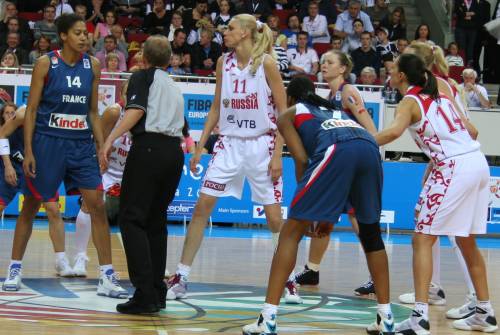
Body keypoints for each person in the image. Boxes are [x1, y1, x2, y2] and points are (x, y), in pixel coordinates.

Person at [243, 75, 394, 335]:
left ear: (290, 97)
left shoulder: (290, 114)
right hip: (369, 148)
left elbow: (303, 162)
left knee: (291, 232)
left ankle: (267, 318)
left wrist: (309, 216)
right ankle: (386, 317)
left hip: (337, 149)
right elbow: (341, 173)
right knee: (371, 234)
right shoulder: (334, 109)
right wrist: (325, 215)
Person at [166, 14, 301, 304]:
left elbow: (284, 112)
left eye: (230, 29)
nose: (224, 33)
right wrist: (200, 145)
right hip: (228, 144)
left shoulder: (266, 63)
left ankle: (288, 281)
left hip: (262, 145)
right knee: (202, 207)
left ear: (245, 34)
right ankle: (181, 275)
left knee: (275, 218)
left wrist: (278, 153)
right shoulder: (222, 63)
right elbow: (216, 106)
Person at [376, 52, 497, 334]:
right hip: (478, 164)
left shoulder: (410, 100)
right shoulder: (441, 94)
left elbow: (393, 133)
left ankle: (419, 318)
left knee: (421, 238)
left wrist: (358, 137)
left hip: (454, 168)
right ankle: (484, 312)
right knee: (466, 240)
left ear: (402, 76)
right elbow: (472, 130)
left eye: (392, 70)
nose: (389, 75)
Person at [19, 13, 127, 298]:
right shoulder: (46, 63)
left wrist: (101, 146)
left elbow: (93, 111)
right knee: (31, 205)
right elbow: (30, 110)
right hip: (48, 143)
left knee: (97, 205)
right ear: (64, 36)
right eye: (78, 32)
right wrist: (29, 149)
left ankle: (106, 275)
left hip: (80, 145)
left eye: (86, 33)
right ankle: (14, 268)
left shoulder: (92, 65)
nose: (84, 37)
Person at [396, 42, 482, 321]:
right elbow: (464, 129)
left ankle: (470, 297)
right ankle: (439, 290)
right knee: (442, 228)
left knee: (445, 235)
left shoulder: (437, 88)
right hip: (461, 160)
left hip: (454, 164)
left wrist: (439, 158)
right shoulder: (440, 86)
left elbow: (470, 130)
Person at [102, 34, 185, 315]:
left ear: (143, 58)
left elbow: (135, 110)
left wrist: (109, 139)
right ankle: (158, 292)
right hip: (174, 152)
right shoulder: (175, 85)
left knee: (131, 218)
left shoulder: (142, 77)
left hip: (149, 148)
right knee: (155, 222)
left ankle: (144, 293)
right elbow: (183, 129)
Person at [294, 50, 378, 295]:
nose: (324, 66)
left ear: (342, 69)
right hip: (340, 162)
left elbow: (371, 129)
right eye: (323, 62)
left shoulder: (348, 92)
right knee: (325, 217)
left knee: (358, 220)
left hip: (354, 162)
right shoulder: (328, 95)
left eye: (330, 62)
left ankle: (375, 274)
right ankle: (312, 269)